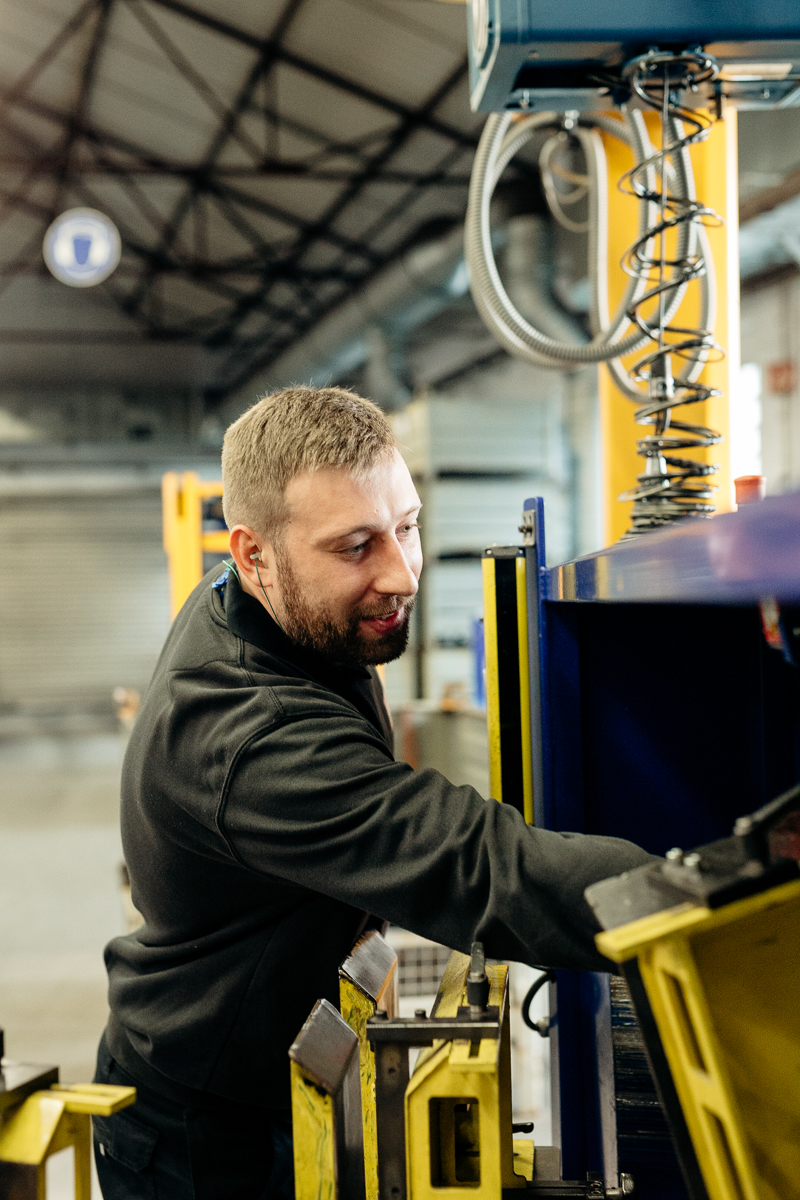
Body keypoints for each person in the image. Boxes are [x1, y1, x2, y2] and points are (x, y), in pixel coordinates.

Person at [93, 386, 654, 1199]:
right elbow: (473, 865)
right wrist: (706, 895)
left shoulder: (261, 601)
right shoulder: (251, 735)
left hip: (280, 1057)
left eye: (408, 525)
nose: (402, 572)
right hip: (203, 1133)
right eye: (355, 547)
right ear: (253, 555)